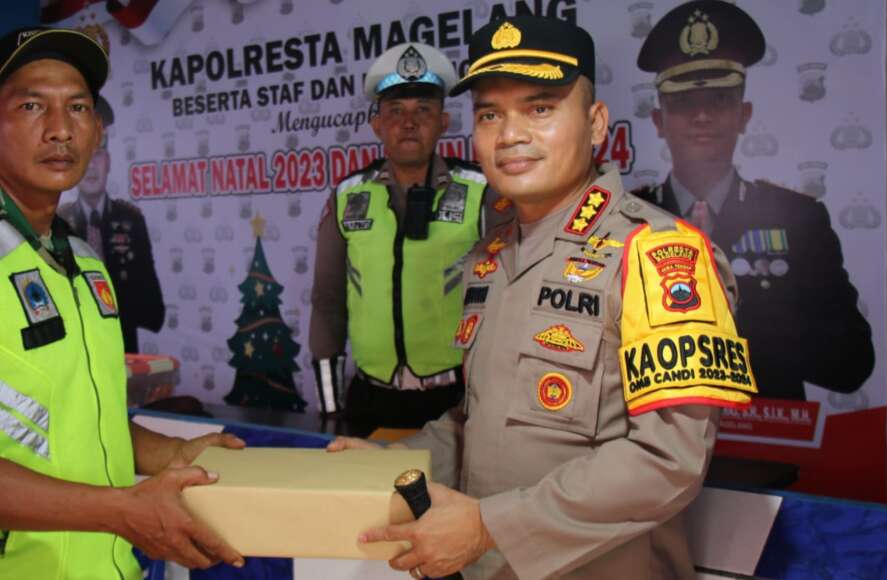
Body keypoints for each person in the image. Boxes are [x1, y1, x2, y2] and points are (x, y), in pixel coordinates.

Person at [329, 14, 758, 579]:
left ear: (596, 122)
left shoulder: (657, 253)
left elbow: (668, 461)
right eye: (490, 114)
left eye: (540, 109)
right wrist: (399, 460)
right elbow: (477, 422)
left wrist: (491, 526)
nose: (510, 135)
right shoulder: (490, 255)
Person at [0, 27, 244, 578]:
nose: (61, 129)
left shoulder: (82, 260)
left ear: (98, 130)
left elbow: (76, 422)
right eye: (32, 106)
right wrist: (123, 511)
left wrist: (171, 454)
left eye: (78, 108)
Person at [634, 0, 874, 401]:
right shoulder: (626, 220)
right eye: (684, 103)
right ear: (659, 121)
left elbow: (852, 362)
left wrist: (745, 314)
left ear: (744, 114)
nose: (702, 116)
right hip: (655, 436)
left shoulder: (799, 220)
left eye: (719, 100)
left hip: (767, 434)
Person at [309, 42, 505, 428]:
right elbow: (327, 302)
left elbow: (507, 302)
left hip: (455, 399)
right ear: (377, 125)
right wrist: (330, 411)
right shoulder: (349, 195)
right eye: (395, 111)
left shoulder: (481, 190)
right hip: (370, 400)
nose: (409, 122)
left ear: (443, 123)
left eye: (423, 110)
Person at [58, 96, 165, 354]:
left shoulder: (131, 221)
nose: (91, 167)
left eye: (97, 156)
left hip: (123, 350)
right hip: (76, 350)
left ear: (109, 162)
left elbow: (154, 311)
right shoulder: (58, 223)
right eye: (83, 158)